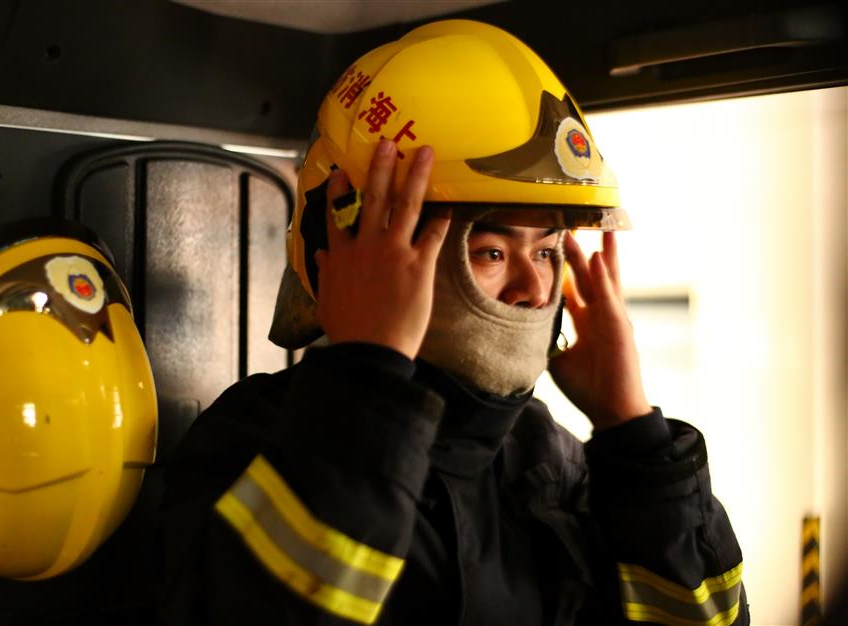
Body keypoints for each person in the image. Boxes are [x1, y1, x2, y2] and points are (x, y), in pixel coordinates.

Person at [157, 19, 748, 625]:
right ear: (368, 251)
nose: (532, 290)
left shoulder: (554, 461)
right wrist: (367, 381)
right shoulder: (253, 439)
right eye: (491, 252)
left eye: (546, 252)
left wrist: (633, 435)